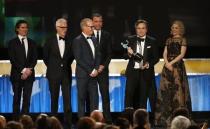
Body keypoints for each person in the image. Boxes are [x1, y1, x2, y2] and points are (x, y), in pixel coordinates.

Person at [155, 20, 192, 127]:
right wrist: (166, 63)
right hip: (167, 68)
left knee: (178, 91)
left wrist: (171, 63)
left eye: (176, 28)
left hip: (177, 67)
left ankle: (180, 118)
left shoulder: (182, 40)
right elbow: (165, 53)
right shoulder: (168, 39)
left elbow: (181, 54)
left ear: (180, 29)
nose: (174, 29)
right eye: (173, 28)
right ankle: (165, 118)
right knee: (166, 91)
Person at [43, 18, 73, 129]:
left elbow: (71, 57)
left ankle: (68, 123)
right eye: (62, 27)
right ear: (57, 27)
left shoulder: (70, 40)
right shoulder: (49, 40)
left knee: (67, 100)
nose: (64, 29)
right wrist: (53, 67)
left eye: (66, 27)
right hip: (53, 74)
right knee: (54, 99)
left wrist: (64, 66)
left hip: (66, 74)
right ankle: (53, 123)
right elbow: (45, 57)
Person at [124, 19, 159, 113]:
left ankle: (144, 120)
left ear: (146, 29)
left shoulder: (152, 41)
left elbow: (156, 58)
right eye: (138, 28)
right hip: (132, 73)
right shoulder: (130, 39)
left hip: (146, 73)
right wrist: (129, 54)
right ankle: (128, 119)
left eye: (143, 28)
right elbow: (124, 56)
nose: (140, 30)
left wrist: (148, 64)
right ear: (136, 29)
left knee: (143, 98)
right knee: (129, 97)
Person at [8, 20, 37, 120]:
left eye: (26, 27)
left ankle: (25, 122)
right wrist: (23, 70)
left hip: (29, 75)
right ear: (17, 29)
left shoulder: (32, 43)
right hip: (17, 76)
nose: (25, 29)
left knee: (27, 100)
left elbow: (34, 59)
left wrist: (28, 71)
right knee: (16, 99)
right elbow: (13, 59)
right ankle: (15, 121)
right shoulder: (12, 43)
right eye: (22, 27)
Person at [72, 18, 100, 118]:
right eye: (91, 26)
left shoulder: (94, 39)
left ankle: (94, 123)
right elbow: (79, 59)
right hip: (83, 75)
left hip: (94, 75)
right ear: (84, 27)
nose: (93, 28)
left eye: (93, 26)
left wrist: (96, 69)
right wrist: (91, 70)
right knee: (81, 100)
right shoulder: (77, 40)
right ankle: (82, 123)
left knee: (94, 100)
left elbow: (98, 56)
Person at [92, 13, 112, 123]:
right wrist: (93, 68)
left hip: (103, 71)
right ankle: (93, 120)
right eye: (96, 21)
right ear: (92, 22)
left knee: (105, 96)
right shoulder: (88, 35)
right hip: (91, 71)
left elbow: (109, 53)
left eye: (100, 21)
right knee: (92, 96)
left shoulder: (107, 35)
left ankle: (108, 120)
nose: (98, 23)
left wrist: (103, 66)